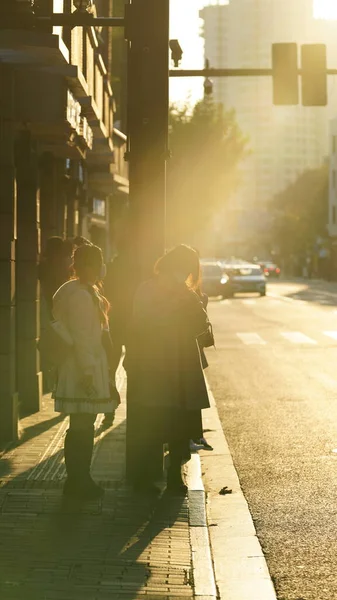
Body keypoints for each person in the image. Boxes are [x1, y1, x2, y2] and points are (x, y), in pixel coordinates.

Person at [125, 244, 210, 494]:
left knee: (177, 422)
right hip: (158, 363)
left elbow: (200, 326)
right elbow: (141, 323)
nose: (185, 276)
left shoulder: (183, 292)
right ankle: (148, 477)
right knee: (155, 419)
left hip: (179, 363)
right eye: (184, 269)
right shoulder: (150, 289)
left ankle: (173, 476)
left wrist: (195, 304)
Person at [52, 244, 119, 499]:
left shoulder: (75, 290)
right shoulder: (80, 295)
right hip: (83, 368)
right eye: (99, 262)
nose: (103, 268)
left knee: (81, 424)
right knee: (82, 425)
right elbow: (83, 338)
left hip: (80, 365)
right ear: (90, 265)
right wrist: (89, 372)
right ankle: (79, 481)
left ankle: (78, 480)